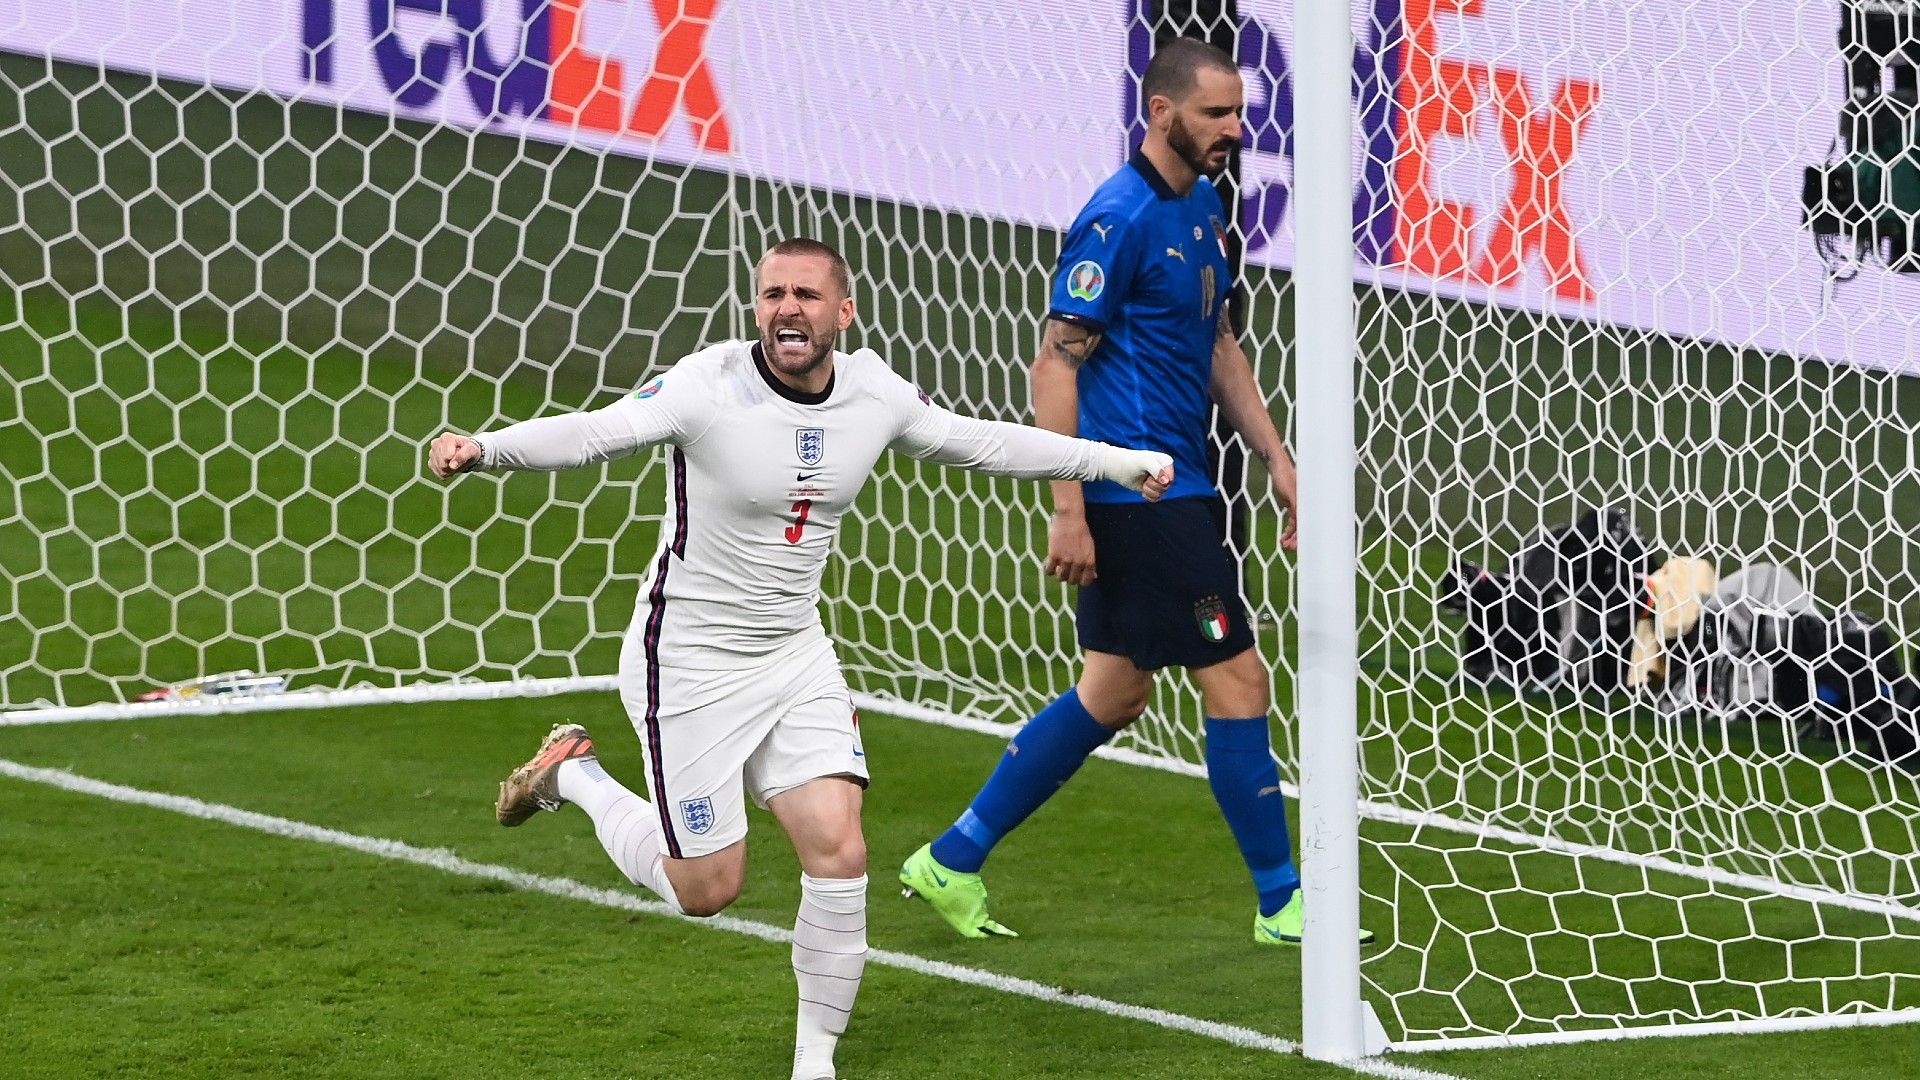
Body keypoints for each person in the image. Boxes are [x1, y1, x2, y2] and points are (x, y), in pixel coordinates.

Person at [426, 238, 1173, 1080]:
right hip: (691, 662)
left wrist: (1115, 461)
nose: (789, 307)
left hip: (794, 654)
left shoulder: (873, 392)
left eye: (808, 295)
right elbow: (596, 433)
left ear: (842, 313)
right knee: (707, 890)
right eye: (773, 292)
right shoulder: (705, 386)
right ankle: (575, 777)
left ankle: (813, 1062)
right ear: (756, 308)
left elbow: (985, 444)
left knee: (840, 849)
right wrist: (487, 447)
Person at [900, 38, 1373, 947]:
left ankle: (953, 858)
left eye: (1238, 113)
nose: (1235, 129)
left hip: (1185, 484)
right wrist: (1069, 503)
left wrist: (1279, 459)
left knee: (1114, 691)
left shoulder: (1203, 206)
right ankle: (1284, 904)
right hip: (1137, 492)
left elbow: (1220, 342)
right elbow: (1054, 362)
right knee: (1237, 675)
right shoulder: (1114, 219)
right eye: (1215, 114)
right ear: (1163, 114)